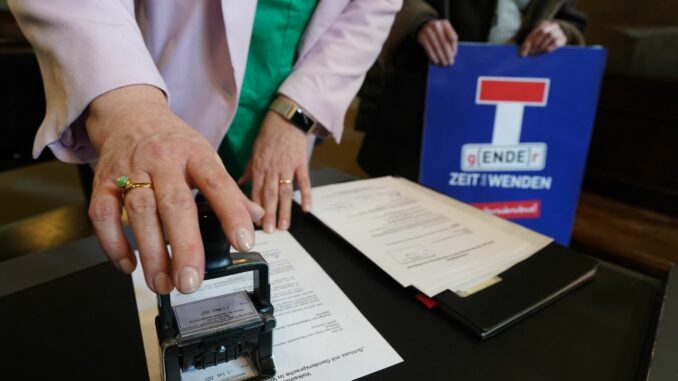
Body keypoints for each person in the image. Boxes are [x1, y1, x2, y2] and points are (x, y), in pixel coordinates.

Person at [9, 0, 401, 294]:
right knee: (148, 245)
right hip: (156, 90)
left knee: (271, 251)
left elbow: (373, 5)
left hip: (287, 94)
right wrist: (129, 106)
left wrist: (297, 113)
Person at [356, 0, 587, 181]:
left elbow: (571, 19)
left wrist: (560, 31)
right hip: (424, 101)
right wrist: (419, 20)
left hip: (511, 112)